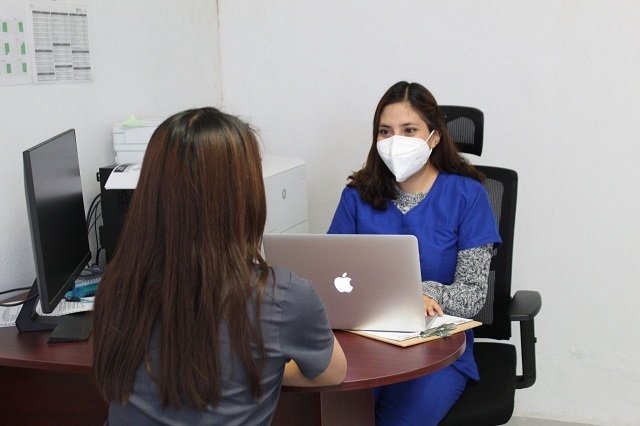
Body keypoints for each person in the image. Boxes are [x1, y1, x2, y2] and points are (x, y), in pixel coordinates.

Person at [93, 107, 347, 425]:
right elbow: (332, 373)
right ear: (243, 195)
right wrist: (266, 367)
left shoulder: (117, 284)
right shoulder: (282, 296)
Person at [328, 81, 501, 425]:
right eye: (385, 132)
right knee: (336, 412)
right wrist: (402, 296)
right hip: (365, 343)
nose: (396, 141)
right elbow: (332, 279)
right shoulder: (357, 196)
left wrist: (420, 294)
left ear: (434, 137)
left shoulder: (468, 195)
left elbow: (472, 297)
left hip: (437, 349)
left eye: (409, 130)